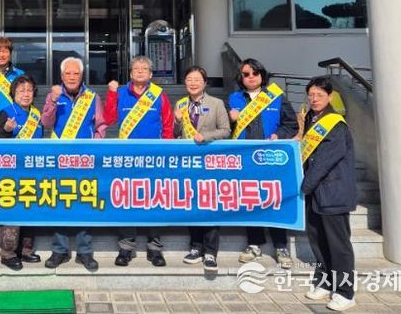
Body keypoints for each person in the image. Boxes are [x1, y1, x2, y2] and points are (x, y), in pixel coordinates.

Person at [228, 58, 298, 269]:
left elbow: (291, 124)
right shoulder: (233, 98)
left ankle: (280, 245)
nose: (251, 77)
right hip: (245, 159)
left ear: (262, 75)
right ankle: (254, 243)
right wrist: (231, 119)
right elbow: (224, 129)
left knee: (274, 199)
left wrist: (279, 134)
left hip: (270, 158)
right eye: (246, 74)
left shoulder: (276, 96)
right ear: (241, 77)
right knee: (251, 200)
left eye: (255, 73)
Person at [104, 55, 174, 267]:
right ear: (130, 73)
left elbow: (168, 125)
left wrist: (167, 152)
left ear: (151, 74)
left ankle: (155, 248)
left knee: (155, 201)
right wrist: (111, 94)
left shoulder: (159, 95)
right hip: (127, 158)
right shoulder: (121, 92)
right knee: (127, 201)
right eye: (136, 68)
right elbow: (108, 119)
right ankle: (126, 247)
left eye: (144, 69)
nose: (140, 71)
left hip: (155, 158)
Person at [41, 57, 106, 271]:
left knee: (84, 202)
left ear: (82, 75)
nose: (71, 77)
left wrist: (96, 147)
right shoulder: (54, 95)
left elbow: (101, 125)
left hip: (85, 159)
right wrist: (52, 100)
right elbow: (46, 123)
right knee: (59, 202)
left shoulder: (92, 97)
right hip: (60, 159)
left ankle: (84, 251)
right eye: (67, 73)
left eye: (75, 73)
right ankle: (59, 250)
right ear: (61, 76)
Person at [301, 76, 357, 311]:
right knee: (318, 241)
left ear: (330, 97)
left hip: (333, 192)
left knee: (338, 245)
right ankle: (325, 283)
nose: (314, 99)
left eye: (320, 95)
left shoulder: (335, 124)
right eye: (311, 95)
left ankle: (345, 292)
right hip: (316, 195)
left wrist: (303, 187)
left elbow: (324, 162)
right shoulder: (311, 119)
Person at [174, 66, 230, 273]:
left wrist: (205, 137)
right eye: (189, 79)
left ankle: (211, 252)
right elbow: (175, 134)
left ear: (205, 83)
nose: (193, 83)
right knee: (192, 205)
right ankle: (196, 247)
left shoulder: (216, 103)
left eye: (197, 79)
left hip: (210, 162)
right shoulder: (180, 104)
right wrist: (177, 121)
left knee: (210, 206)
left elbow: (226, 130)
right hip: (188, 163)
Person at [0, 75, 43, 270]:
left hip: (32, 171)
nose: (26, 94)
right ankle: (8, 253)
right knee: (12, 212)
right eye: (21, 90)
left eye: (29, 90)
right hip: (11, 173)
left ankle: (26, 249)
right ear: (13, 93)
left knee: (30, 209)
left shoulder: (36, 115)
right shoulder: (6, 112)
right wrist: (6, 130)